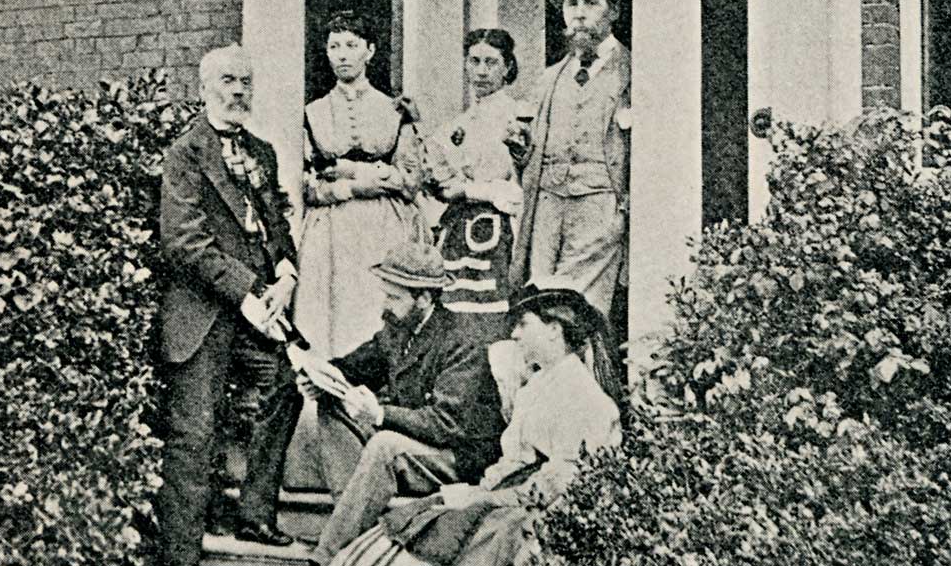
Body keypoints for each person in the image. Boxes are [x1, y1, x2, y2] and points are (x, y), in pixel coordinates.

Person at [245, 241, 506, 565]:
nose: (386, 304)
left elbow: (446, 424)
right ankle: (354, 528)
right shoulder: (398, 327)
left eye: (394, 297)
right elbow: (355, 366)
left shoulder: (464, 341)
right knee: (332, 404)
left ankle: (327, 557)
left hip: (458, 455)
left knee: (385, 445)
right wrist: (319, 376)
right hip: (417, 440)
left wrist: (380, 413)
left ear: (424, 298)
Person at [329, 280, 623, 566]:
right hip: (507, 497)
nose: (515, 334)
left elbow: (555, 488)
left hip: (533, 519)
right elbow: (513, 462)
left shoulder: (581, 398)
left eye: (524, 324)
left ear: (553, 331)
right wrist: (479, 492)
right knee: (404, 528)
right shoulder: (539, 383)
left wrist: (482, 498)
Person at [156, 43, 302, 566]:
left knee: (286, 384)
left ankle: (256, 515)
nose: (238, 90)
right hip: (203, 312)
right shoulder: (185, 152)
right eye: (226, 81)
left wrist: (286, 269)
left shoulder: (261, 150)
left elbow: (275, 221)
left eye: (245, 80)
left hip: (256, 309)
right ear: (203, 89)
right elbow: (184, 241)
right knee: (194, 433)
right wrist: (246, 292)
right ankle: (181, 557)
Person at [296, 11, 429, 361]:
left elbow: (412, 179)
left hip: (382, 226)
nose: (342, 54)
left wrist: (368, 176)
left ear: (369, 51)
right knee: (331, 315)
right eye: (334, 46)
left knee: (376, 306)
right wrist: (347, 189)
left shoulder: (393, 109)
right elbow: (305, 183)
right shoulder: (313, 113)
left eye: (351, 45)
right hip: (331, 229)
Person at [508, 0, 632, 315]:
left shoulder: (633, 72)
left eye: (590, 3)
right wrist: (519, 148)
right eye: (571, 4)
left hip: (599, 204)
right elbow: (530, 155)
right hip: (547, 205)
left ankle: (584, 372)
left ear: (613, 11)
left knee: (581, 307)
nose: (579, 14)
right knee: (540, 299)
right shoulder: (549, 78)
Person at [423, 28, 524, 317]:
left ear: (507, 67)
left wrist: (468, 190)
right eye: (474, 61)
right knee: (454, 311)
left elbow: (519, 189)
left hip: (499, 231)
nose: (481, 71)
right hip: (458, 230)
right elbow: (436, 165)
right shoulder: (461, 122)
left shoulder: (516, 118)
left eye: (490, 63)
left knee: (490, 311)